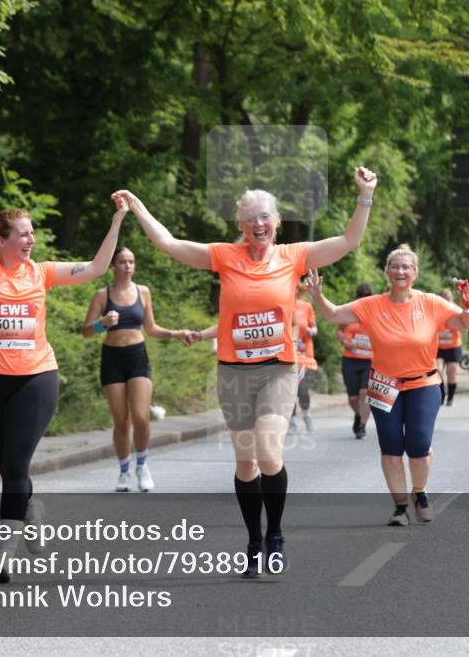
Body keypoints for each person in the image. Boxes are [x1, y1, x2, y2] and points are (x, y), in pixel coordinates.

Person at [113, 165, 377, 577]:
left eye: (265, 217)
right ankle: (253, 539)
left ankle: (275, 535)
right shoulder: (225, 256)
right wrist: (139, 208)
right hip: (234, 372)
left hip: (278, 369)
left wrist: (364, 196)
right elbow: (167, 243)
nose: (258, 224)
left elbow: (349, 240)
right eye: (250, 218)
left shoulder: (293, 257)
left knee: (269, 450)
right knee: (245, 462)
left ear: (276, 223)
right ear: (241, 224)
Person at [0, 137, 126, 583]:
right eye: (25, 233)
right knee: (10, 467)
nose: (32, 239)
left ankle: (4, 551)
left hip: (36, 378)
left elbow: (94, 268)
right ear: (1, 240)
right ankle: (31, 510)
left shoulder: (42, 272)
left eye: (33, 233)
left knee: (14, 467)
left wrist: (116, 222)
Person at [307, 246, 469, 526]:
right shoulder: (371, 305)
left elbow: (463, 324)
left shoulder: (431, 302)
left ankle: (420, 492)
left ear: (415, 273)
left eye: (406, 267)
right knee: (390, 447)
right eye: (395, 267)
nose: (400, 271)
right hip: (384, 384)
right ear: (387, 272)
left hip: (422, 382)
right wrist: (317, 296)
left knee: (419, 445)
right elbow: (334, 315)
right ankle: (400, 507)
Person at [82, 247, 195, 492]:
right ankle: (124, 471)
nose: (128, 266)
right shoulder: (102, 295)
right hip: (112, 358)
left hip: (137, 357)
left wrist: (176, 333)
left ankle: (142, 465)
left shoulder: (143, 292)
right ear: (113, 266)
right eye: (123, 262)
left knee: (141, 417)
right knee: (121, 421)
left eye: (131, 261)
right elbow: (86, 332)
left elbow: (151, 328)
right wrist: (102, 324)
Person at [338, 283, 374, 439]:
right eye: (361, 299)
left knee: (365, 392)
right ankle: (359, 415)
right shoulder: (349, 311)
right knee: (353, 398)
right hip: (350, 359)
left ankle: (362, 426)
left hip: (370, 360)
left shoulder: (376, 312)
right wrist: (345, 342)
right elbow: (339, 330)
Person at [289, 277, 319, 435]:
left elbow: (314, 327)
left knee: (302, 390)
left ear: (298, 290)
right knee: (290, 389)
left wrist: (311, 331)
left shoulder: (306, 306)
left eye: (294, 288)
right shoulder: (279, 306)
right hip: (288, 354)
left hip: (304, 354)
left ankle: (306, 414)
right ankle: (292, 420)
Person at [436, 287, 463, 407]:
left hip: (453, 346)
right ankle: (442, 393)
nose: (446, 302)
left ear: (452, 300)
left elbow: (464, 326)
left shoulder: (456, 311)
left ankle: (450, 397)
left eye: (448, 299)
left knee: (451, 372)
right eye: (444, 299)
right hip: (439, 347)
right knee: (438, 370)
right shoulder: (436, 311)